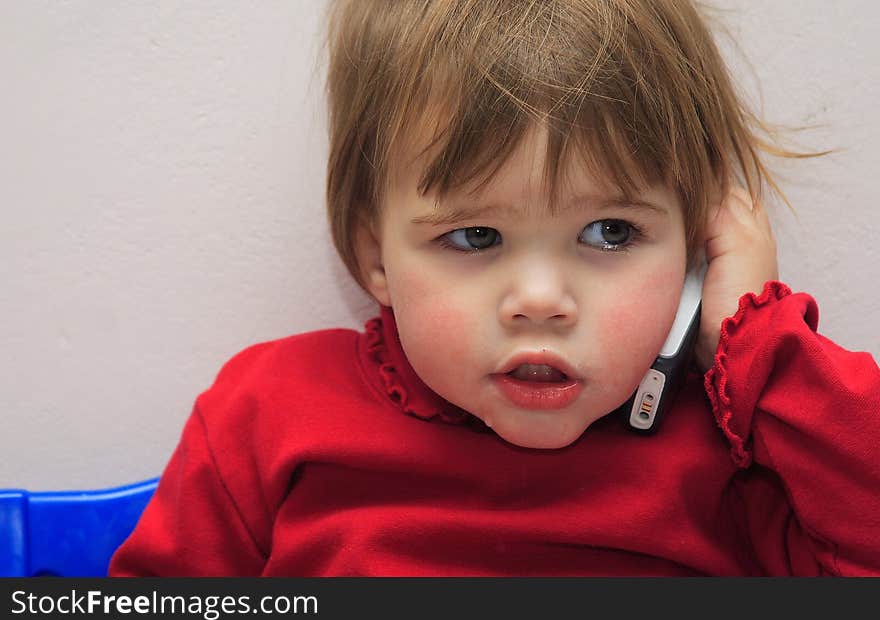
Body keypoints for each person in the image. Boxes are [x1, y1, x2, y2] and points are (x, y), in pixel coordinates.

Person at [109, 0, 880, 576]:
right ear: (374, 253)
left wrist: (756, 345)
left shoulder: (735, 450)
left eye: (610, 232)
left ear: (696, 250)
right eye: (476, 236)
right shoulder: (268, 417)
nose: (541, 299)